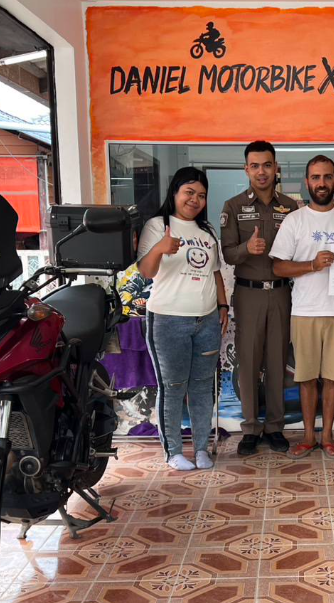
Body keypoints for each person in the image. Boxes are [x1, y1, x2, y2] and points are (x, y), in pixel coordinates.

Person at [269, 155, 334, 460]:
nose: (321, 183)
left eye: (327, 177)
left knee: (333, 378)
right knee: (307, 378)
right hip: (305, 311)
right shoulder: (295, 220)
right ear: (307, 182)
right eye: (315, 177)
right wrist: (311, 264)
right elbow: (278, 268)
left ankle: (328, 438)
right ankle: (308, 437)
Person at [138, 167, 229, 471]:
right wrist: (160, 248)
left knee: (202, 387)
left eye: (201, 195)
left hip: (207, 320)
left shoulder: (207, 231)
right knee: (173, 386)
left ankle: (201, 449)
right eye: (189, 192)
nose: (195, 200)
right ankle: (174, 452)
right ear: (175, 192)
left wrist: (223, 306)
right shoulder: (157, 225)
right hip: (168, 320)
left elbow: (215, 273)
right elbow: (146, 271)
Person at [221, 141, 298, 456]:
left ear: (275, 167)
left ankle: (275, 427)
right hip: (248, 293)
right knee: (249, 361)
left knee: (278, 360)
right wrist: (246, 249)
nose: (261, 171)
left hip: (281, 293)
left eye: (267, 165)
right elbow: (228, 254)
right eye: (254, 166)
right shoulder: (233, 206)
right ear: (246, 169)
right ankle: (251, 428)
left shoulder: (291, 207)